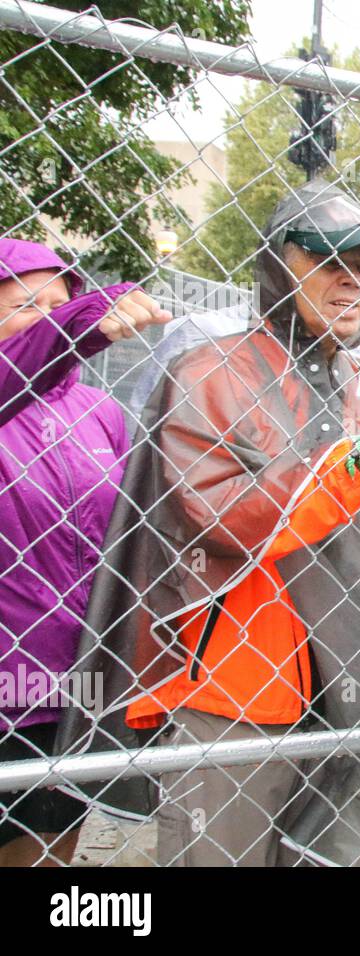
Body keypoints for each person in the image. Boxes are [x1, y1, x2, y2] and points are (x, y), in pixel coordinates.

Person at [57, 181, 360, 866]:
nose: (350, 280)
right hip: (238, 691)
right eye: (325, 259)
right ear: (276, 267)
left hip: (356, 684)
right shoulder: (209, 370)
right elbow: (220, 517)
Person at [0, 238, 171, 866]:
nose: (47, 318)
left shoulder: (100, 411)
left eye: (59, 302)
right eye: (23, 306)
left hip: (79, 682)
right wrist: (80, 321)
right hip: (6, 682)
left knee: (53, 851)